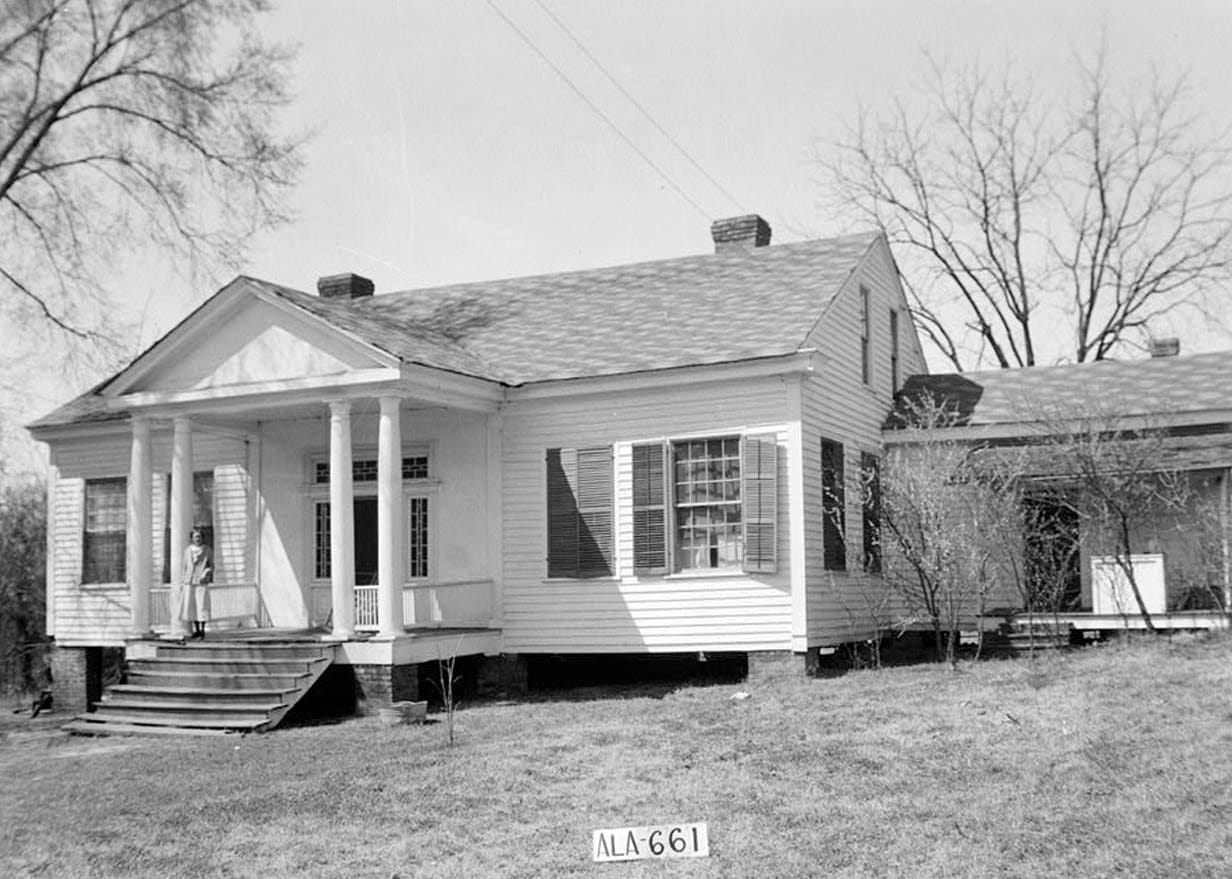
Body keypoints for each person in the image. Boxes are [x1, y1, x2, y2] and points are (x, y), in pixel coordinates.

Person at [179, 528, 213, 639]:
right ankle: (196, 630)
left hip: (201, 582)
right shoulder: (188, 551)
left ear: (202, 538)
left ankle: (202, 631)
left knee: (201, 606)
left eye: (199, 536)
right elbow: (185, 566)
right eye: (195, 537)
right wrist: (183, 581)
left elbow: (211, 566)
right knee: (192, 607)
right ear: (192, 538)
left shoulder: (207, 550)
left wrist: (206, 572)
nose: (198, 539)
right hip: (190, 581)